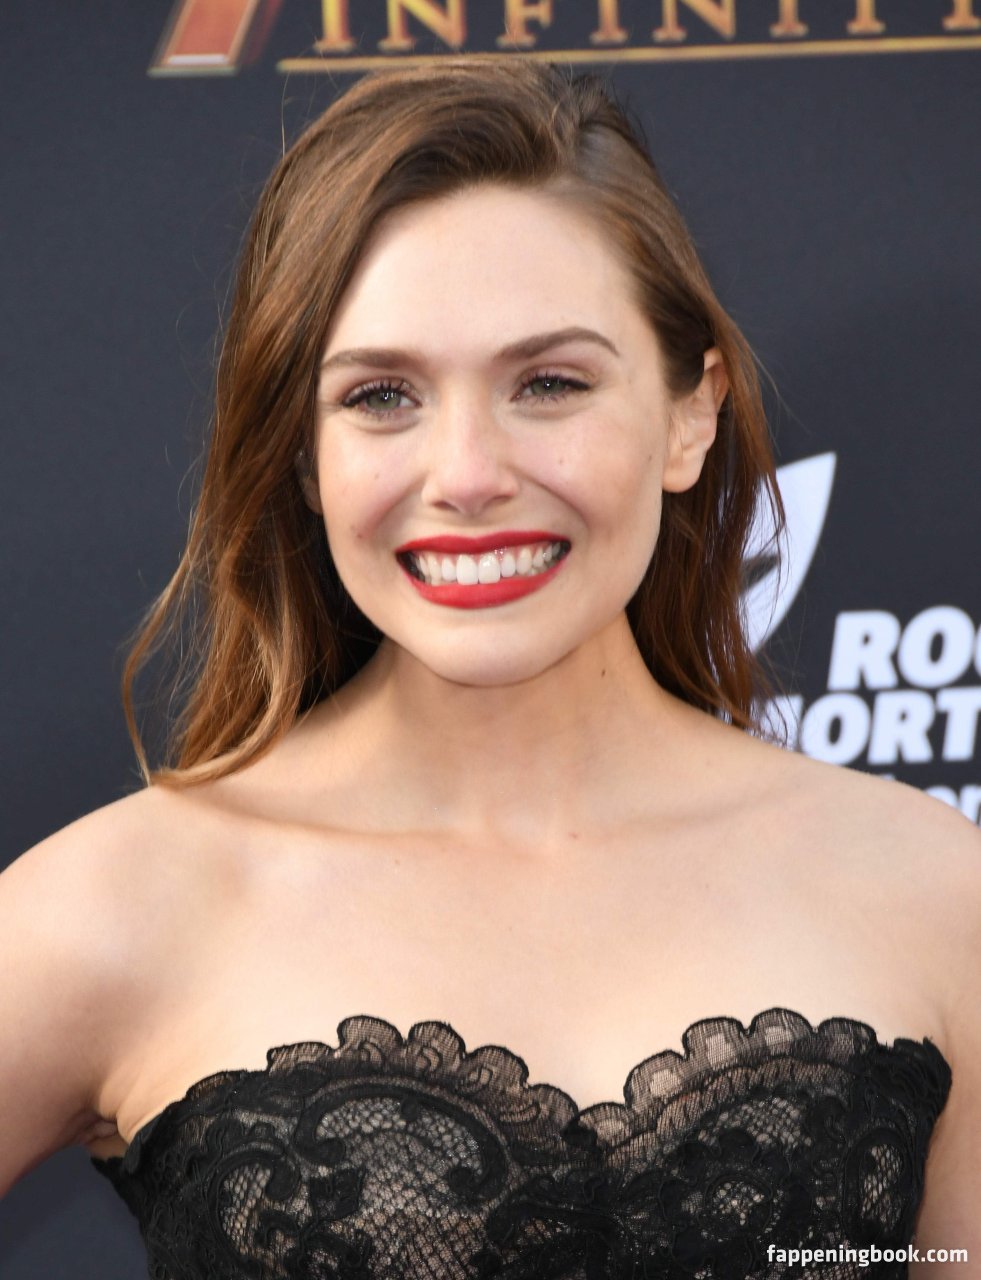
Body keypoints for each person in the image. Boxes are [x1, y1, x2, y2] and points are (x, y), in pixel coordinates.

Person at [1, 55, 978, 1279]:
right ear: (303, 456)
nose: (467, 473)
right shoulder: (124, 900)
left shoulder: (934, 891)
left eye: (549, 383)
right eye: (382, 396)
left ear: (691, 414)